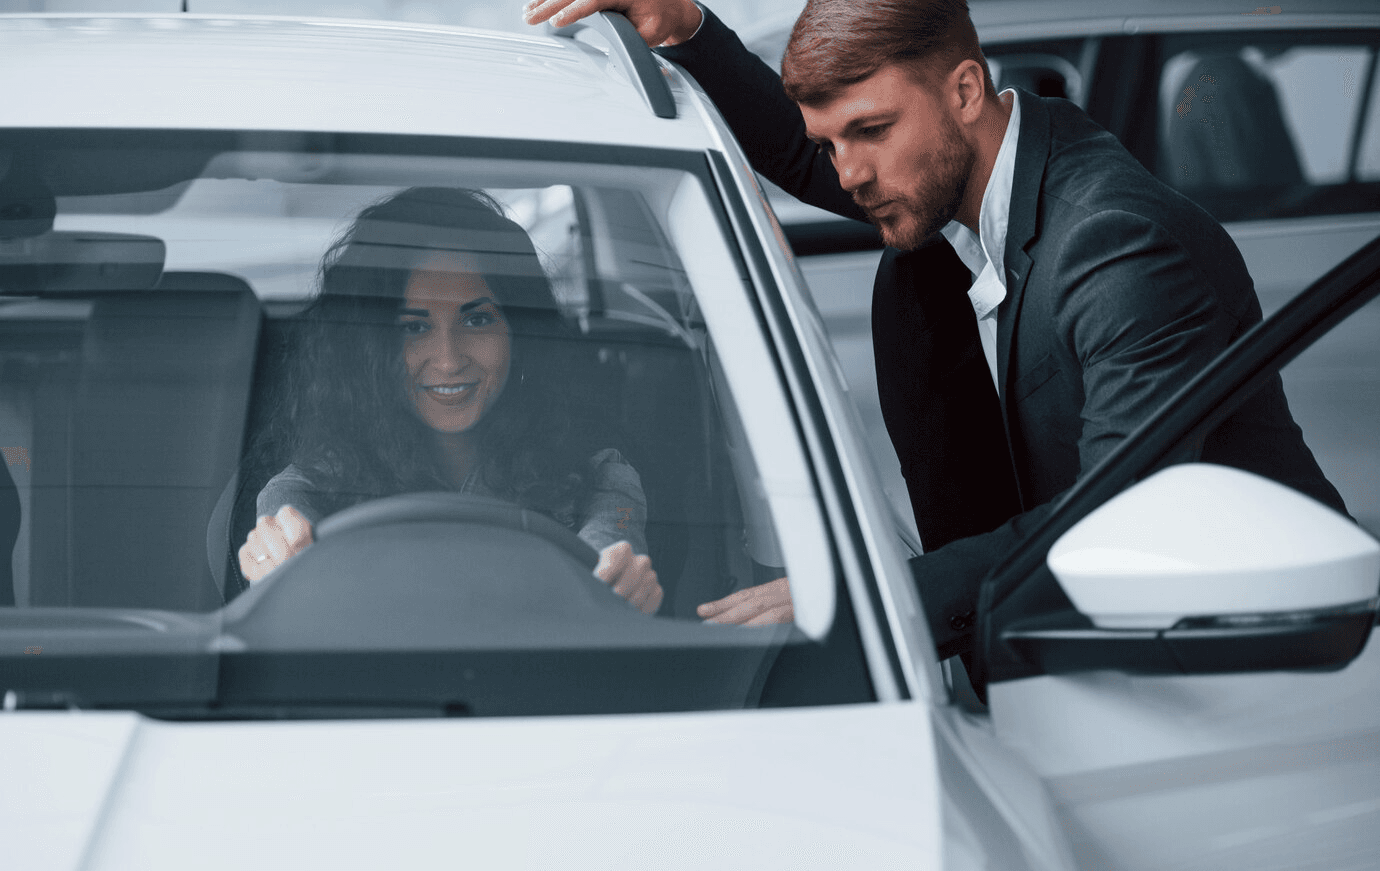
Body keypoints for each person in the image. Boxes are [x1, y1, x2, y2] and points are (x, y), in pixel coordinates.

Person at [523, 0, 1346, 657]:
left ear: (963, 90)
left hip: (1242, 656)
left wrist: (868, 590)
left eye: (871, 132)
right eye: (833, 142)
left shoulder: (1119, 244)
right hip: (1062, 641)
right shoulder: (955, 173)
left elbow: (1112, 521)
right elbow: (817, 149)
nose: (848, 175)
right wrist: (688, 29)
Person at [237, 187, 663, 614]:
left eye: (477, 319)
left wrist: (618, 578)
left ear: (518, 331)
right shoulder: (311, 483)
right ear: (367, 350)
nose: (448, 360)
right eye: (413, 327)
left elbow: (612, 545)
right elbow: (286, 523)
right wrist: (276, 555)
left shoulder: (599, 474)